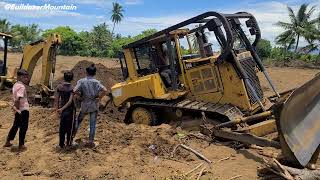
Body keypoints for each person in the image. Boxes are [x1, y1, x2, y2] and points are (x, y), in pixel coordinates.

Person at [73, 64, 107, 147]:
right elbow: (105, 90)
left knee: (78, 121)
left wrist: (80, 95)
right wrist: (99, 97)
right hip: (94, 105)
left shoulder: (81, 81)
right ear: (94, 73)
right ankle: (90, 141)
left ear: (86, 72)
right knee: (92, 124)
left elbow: (74, 90)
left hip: (84, 104)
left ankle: (71, 137)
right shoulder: (97, 82)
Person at [3, 69, 30, 150]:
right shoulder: (21, 87)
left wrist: (15, 109)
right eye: (24, 77)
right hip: (23, 110)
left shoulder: (15, 85)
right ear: (19, 77)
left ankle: (8, 141)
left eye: (27, 77)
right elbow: (18, 98)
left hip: (18, 109)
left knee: (15, 126)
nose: (26, 79)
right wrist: (18, 110)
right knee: (23, 127)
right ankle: (21, 144)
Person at [54, 71, 76, 149]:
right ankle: (68, 144)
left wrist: (58, 110)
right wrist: (62, 109)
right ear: (72, 79)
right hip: (70, 110)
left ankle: (61, 144)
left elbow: (56, 99)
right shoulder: (72, 88)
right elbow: (70, 101)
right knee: (70, 127)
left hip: (62, 110)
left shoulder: (59, 87)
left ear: (64, 78)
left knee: (62, 127)